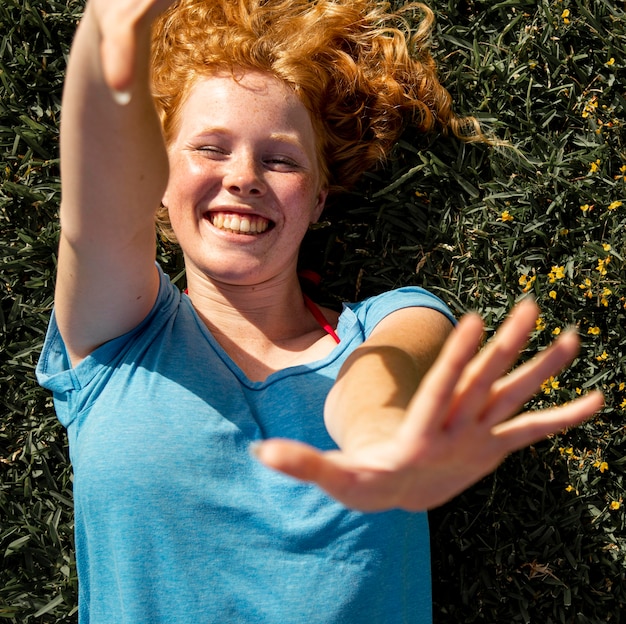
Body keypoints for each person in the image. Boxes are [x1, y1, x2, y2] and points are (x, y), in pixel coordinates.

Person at [36, 0, 603, 621]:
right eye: (209, 148)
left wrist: (381, 441)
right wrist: (109, 35)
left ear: (318, 200)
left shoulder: (395, 318)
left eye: (280, 159)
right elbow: (94, 214)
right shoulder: (117, 339)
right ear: (159, 181)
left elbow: (379, 380)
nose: (244, 176)